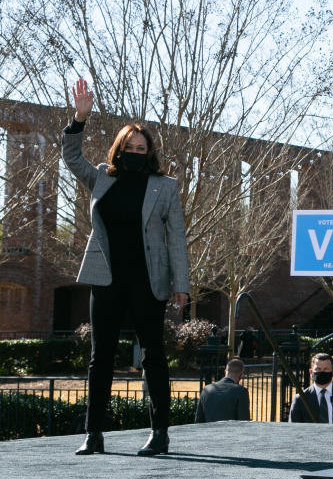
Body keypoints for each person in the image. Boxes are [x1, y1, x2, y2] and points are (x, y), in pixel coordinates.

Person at [64, 78, 190, 457]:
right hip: (106, 280)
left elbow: (177, 239)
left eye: (142, 147)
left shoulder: (164, 186)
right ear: (119, 149)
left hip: (148, 281)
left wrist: (181, 283)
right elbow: (72, 158)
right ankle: (94, 434)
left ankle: (160, 434)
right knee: (99, 356)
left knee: (153, 355)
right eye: (130, 147)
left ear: (149, 152)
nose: (136, 151)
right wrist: (79, 118)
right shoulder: (103, 176)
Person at [289, 353, 333, 424]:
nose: (322, 372)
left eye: (326, 369)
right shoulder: (300, 399)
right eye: (318, 369)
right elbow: (294, 429)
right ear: (311, 372)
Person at [195, 358, 251, 423]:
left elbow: (198, 420)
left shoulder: (206, 389)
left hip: (209, 431)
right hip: (230, 432)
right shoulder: (241, 391)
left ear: (225, 372)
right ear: (241, 375)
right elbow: (243, 421)